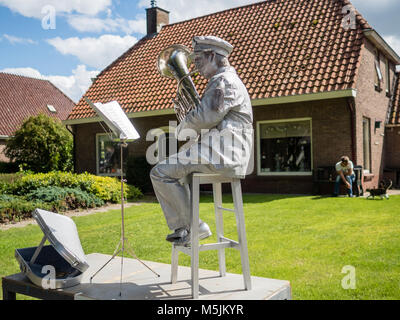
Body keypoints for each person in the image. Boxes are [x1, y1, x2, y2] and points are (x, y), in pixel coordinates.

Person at [150, 36, 253, 245]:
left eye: (197, 60)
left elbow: (204, 117)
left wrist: (181, 129)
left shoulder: (224, 81)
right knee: (175, 173)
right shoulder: (222, 81)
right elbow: (206, 118)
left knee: (159, 172)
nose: (193, 66)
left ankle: (194, 227)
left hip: (223, 154)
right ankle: (188, 226)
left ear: (212, 56)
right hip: (219, 150)